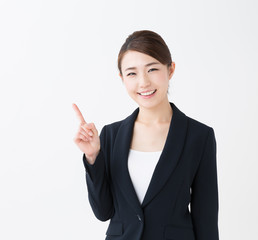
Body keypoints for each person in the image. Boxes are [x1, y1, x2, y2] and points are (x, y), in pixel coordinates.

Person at [72, 30, 219, 240]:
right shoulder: (110, 135)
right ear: (122, 79)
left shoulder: (199, 136)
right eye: (132, 73)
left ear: (171, 70)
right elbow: (103, 212)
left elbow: (206, 219)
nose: (143, 82)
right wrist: (93, 157)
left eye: (152, 69)